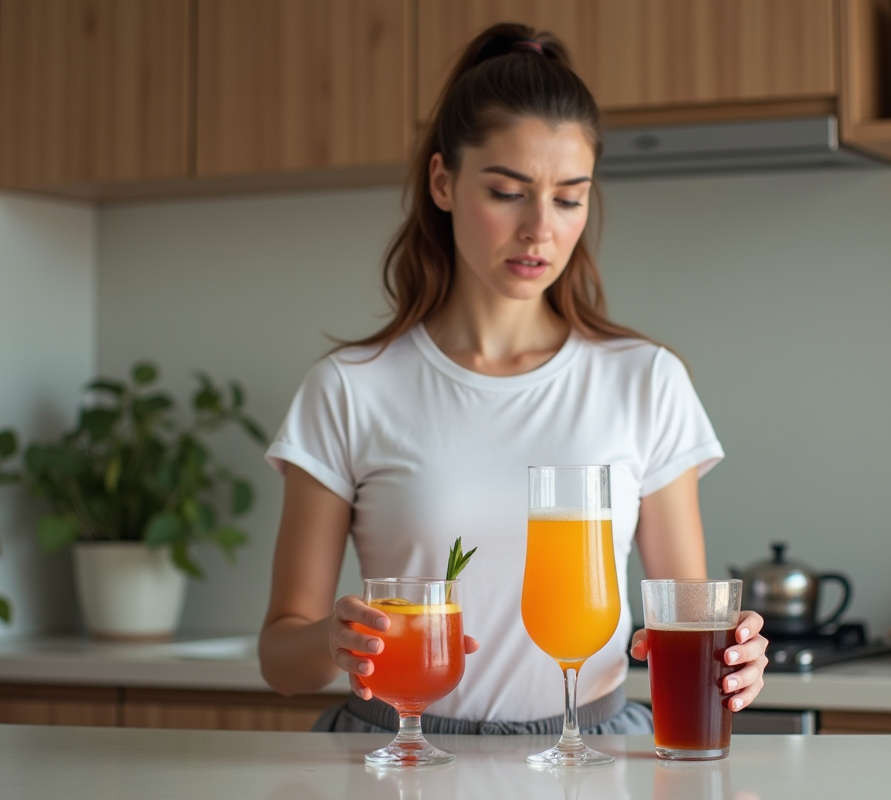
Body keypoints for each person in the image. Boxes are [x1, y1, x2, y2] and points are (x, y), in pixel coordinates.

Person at [259, 22, 768, 735]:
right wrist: (334, 639)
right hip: (398, 752)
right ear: (443, 181)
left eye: (569, 198)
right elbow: (282, 661)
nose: (540, 229)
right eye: (507, 192)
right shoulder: (349, 388)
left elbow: (682, 617)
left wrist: (732, 654)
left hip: (590, 752)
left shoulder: (645, 380)